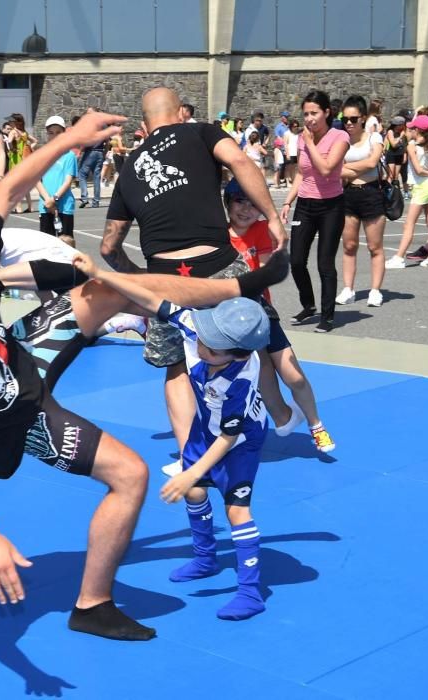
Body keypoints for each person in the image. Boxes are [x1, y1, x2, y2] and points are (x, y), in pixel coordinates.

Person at [0, 108, 290, 639]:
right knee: (130, 475)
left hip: (19, 352)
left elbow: (9, 188)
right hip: (11, 417)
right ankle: (92, 605)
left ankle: (239, 288)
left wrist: (73, 142)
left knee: (107, 285)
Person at [101, 86, 287, 478]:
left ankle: (191, 456)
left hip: (165, 280)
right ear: (179, 113)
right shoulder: (200, 132)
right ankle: (279, 415)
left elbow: (108, 246)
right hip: (218, 267)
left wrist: (138, 279)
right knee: (257, 339)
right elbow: (240, 161)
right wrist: (271, 213)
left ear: (145, 123)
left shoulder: (130, 165)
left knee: (175, 368)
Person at [76, 250, 273, 620]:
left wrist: (189, 471)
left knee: (236, 509)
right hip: (207, 426)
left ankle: (250, 591)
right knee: (196, 491)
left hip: (240, 440)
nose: (199, 346)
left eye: (210, 347)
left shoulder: (239, 381)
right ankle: (205, 558)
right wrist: (99, 273)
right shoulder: (204, 331)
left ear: (235, 355)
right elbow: (151, 299)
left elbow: (227, 440)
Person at [223, 178, 335, 453]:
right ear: (227, 203)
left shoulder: (262, 230)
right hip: (231, 319)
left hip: (260, 313)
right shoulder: (217, 234)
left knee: (292, 374)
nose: (246, 209)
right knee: (262, 375)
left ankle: (316, 424)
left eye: (253, 204)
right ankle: (282, 416)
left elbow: (261, 275)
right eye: (240, 202)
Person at [280, 90, 350, 333]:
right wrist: (288, 201)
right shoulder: (302, 139)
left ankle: (327, 316)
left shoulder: (339, 137)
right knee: (297, 260)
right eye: (306, 113)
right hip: (305, 206)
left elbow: (328, 170)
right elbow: (302, 172)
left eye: (314, 113)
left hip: (331, 206)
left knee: (324, 264)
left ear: (327, 112)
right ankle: (308, 305)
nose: (309, 118)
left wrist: (309, 142)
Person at [336, 95, 386, 308]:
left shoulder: (374, 138)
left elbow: (373, 162)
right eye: (345, 119)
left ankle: (375, 290)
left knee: (375, 246)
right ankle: (348, 288)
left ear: (363, 118)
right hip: (348, 193)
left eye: (353, 119)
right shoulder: (341, 141)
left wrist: (349, 168)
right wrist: (360, 166)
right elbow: (336, 168)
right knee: (349, 245)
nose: (349, 123)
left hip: (371, 193)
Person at [386, 115, 428, 268]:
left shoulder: (412, 145)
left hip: (422, 186)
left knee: (409, 223)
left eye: (411, 128)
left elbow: (418, 170)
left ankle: (399, 257)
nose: (409, 130)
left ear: (417, 130)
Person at [34, 115, 77, 247]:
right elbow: (37, 180)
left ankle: (68, 268)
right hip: (45, 205)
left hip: (64, 206)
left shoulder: (69, 155)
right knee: (47, 245)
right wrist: (48, 200)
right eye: (51, 133)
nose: (55, 135)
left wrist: (55, 199)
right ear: (47, 134)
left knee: (66, 244)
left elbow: (68, 181)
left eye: (58, 132)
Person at [5, 113, 35, 213]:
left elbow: (9, 141)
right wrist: (29, 148)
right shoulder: (24, 132)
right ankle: (30, 206)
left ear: (15, 122)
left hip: (15, 159)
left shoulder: (13, 132)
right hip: (24, 159)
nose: (9, 123)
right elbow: (35, 141)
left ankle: (18, 207)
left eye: (11, 121)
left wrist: (12, 148)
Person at [385, 115, 408, 193]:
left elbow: (405, 144)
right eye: (402, 125)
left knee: (396, 176)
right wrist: (400, 137)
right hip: (391, 154)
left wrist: (405, 154)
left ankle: (394, 192)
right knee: (390, 175)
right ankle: (386, 191)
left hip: (399, 155)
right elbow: (393, 144)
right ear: (398, 125)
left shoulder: (403, 132)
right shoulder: (390, 131)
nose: (403, 126)